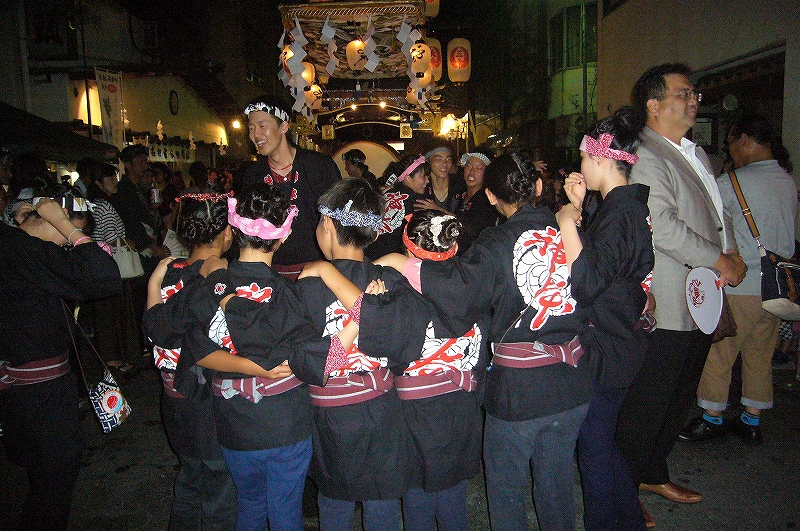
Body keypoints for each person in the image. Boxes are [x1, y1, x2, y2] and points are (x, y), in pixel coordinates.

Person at [178, 183, 361, 531]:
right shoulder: (292, 293)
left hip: (233, 421)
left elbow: (195, 350)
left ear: (233, 230)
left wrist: (244, 365)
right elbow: (316, 360)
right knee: (285, 510)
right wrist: (357, 321)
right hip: (286, 423)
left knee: (248, 504)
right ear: (282, 237)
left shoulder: (210, 284)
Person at [614, 63, 747, 524]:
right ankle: (623, 488)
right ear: (653, 104)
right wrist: (719, 259)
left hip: (702, 296)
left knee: (679, 395)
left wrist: (731, 252)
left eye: (694, 94)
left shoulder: (696, 153)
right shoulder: (644, 153)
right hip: (668, 298)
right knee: (648, 399)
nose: (693, 101)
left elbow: (718, 212)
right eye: (683, 93)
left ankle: (652, 471)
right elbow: (662, 226)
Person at [295, 177, 417, 531]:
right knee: (382, 503)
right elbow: (406, 348)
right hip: (383, 410)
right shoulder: (391, 281)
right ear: (374, 234)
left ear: (327, 225)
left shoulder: (308, 283)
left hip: (332, 419)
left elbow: (309, 365)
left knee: (335, 502)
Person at [555, 107, 654, 531]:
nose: (580, 165)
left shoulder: (620, 213)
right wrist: (581, 208)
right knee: (603, 443)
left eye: (583, 157)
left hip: (609, 349)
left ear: (599, 158)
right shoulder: (622, 207)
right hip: (620, 341)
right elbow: (606, 263)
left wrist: (566, 222)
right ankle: (628, 520)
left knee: (594, 449)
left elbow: (588, 282)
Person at [0, 192, 122, 531]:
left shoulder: (12, 246)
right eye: (65, 237)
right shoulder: (28, 252)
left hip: (19, 386)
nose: (67, 245)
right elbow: (104, 276)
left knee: (38, 474)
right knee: (53, 482)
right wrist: (67, 226)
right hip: (41, 391)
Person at [680, 113, 797, 445]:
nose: (730, 151)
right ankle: (751, 420)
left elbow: (708, 225)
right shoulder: (787, 181)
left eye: (732, 143)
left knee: (719, 353)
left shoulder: (731, 182)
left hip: (739, 286)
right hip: (777, 290)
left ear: (745, 140)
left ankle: (711, 418)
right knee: (760, 356)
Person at [143, 192, 237, 531]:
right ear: (225, 233)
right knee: (220, 491)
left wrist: (153, 282)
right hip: (209, 404)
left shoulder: (167, 271)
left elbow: (154, 331)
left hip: (173, 400)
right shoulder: (222, 280)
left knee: (189, 481)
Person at [237, 95, 341, 279]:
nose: (255, 135)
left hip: (317, 272)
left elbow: (339, 219)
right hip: (270, 273)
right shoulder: (252, 175)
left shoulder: (319, 166)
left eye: (262, 126)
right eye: (251, 128)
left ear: (283, 126)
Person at [81, 158, 140, 372]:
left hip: (100, 265)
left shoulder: (93, 205)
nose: (115, 181)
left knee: (106, 314)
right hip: (112, 264)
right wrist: (129, 242)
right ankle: (114, 358)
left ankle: (111, 357)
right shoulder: (104, 206)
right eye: (110, 177)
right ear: (98, 182)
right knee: (114, 314)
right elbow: (111, 239)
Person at [366, 154, 430, 260]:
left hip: (369, 252)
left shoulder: (386, 193)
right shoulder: (417, 201)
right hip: (392, 259)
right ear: (408, 177)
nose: (427, 180)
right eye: (423, 176)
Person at [454, 151, 498, 253]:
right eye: (468, 166)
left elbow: (473, 232)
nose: (471, 172)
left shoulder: (487, 201)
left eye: (478, 168)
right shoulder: (460, 194)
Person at [417, 145, 465, 215]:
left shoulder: (461, 186)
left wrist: (439, 209)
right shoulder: (422, 188)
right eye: (439, 159)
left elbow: (467, 219)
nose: (445, 163)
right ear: (428, 161)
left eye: (448, 159)